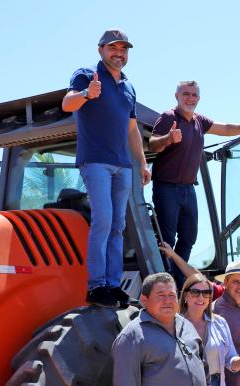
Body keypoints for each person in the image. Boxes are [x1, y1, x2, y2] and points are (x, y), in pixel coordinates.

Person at [62, 30, 152, 309]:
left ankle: (113, 285)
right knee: (103, 220)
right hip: (96, 161)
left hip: (123, 165)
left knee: (118, 226)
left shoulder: (128, 86)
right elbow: (67, 104)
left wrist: (142, 162)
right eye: (113, 48)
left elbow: (132, 129)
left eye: (124, 49)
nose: (119, 53)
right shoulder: (86, 74)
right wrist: (87, 94)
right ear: (101, 50)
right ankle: (96, 285)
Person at [148, 81, 240, 282]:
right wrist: (168, 138)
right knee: (167, 239)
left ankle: (179, 280)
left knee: (188, 237)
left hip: (188, 189)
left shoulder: (199, 121)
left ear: (199, 99)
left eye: (194, 95)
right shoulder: (169, 117)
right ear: (176, 96)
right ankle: (162, 282)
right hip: (166, 188)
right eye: (186, 94)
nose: (190, 98)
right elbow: (152, 144)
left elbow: (227, 128)